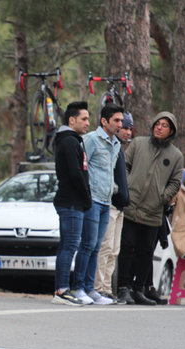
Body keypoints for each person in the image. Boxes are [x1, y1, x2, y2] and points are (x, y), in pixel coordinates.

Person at [117, 111, 183, 305]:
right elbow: (124, 166)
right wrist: (127, 186)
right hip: (131, 207)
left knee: (146, 251)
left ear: (171, 130)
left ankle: (139, 289)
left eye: (164, 125)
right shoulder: (138, 144)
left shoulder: (176, 155)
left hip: (154, 211)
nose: (159, 127)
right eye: (157, 123)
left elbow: (175, 182)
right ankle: (123, 288)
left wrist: (163, 197)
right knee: (127, 248)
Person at [70, 103, 123, 306]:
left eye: (121, 120)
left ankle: (91, 289)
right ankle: (78, 287)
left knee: (97, 248)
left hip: (106, 201)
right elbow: (81, 167)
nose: (120, 124)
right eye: (116, 120)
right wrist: (85, 194)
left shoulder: (115, 143)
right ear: (104, 121)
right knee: (87, 245)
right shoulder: (91, 139)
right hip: (92, 200)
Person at [51, 101, 92, 306]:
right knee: (69, 245)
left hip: (74, 201)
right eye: (84, 119)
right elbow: (75, 174)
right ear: (72, 120)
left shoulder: (74, 140)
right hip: (71, 202)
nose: (87, 123)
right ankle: (62, 290)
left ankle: (62, 288)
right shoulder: (68, 141)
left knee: (68, 245)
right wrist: (86, 197)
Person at [93, 111, 132, 303]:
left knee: (114, 250)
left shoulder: (117, 148)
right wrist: (115, 192)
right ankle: (98, 288)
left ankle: (107, 289)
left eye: (126, 127)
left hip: (120, 208)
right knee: (105, 247)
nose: (124, 129)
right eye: (121, 124)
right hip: (108, 203)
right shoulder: (97, 143)